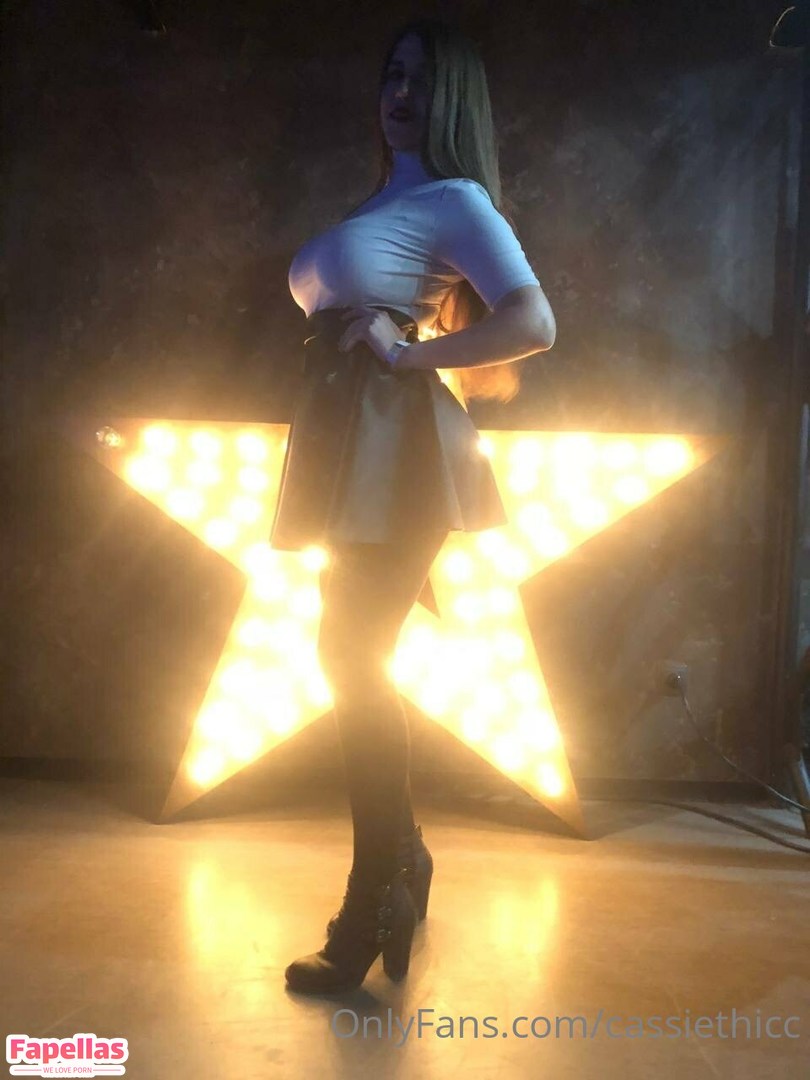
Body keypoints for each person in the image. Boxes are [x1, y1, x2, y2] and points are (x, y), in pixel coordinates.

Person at [273, 17, 556, 995]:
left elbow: (534, 319)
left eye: (424, 81)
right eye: (392, 73)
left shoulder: (454, 199)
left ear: (455, 99)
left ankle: (373, 897)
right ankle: (408, 860)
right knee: (348, 654)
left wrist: (410, 354)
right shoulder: (383, 200)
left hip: (398, 456)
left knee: (349, 655)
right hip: (352, 450)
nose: (401, 93)